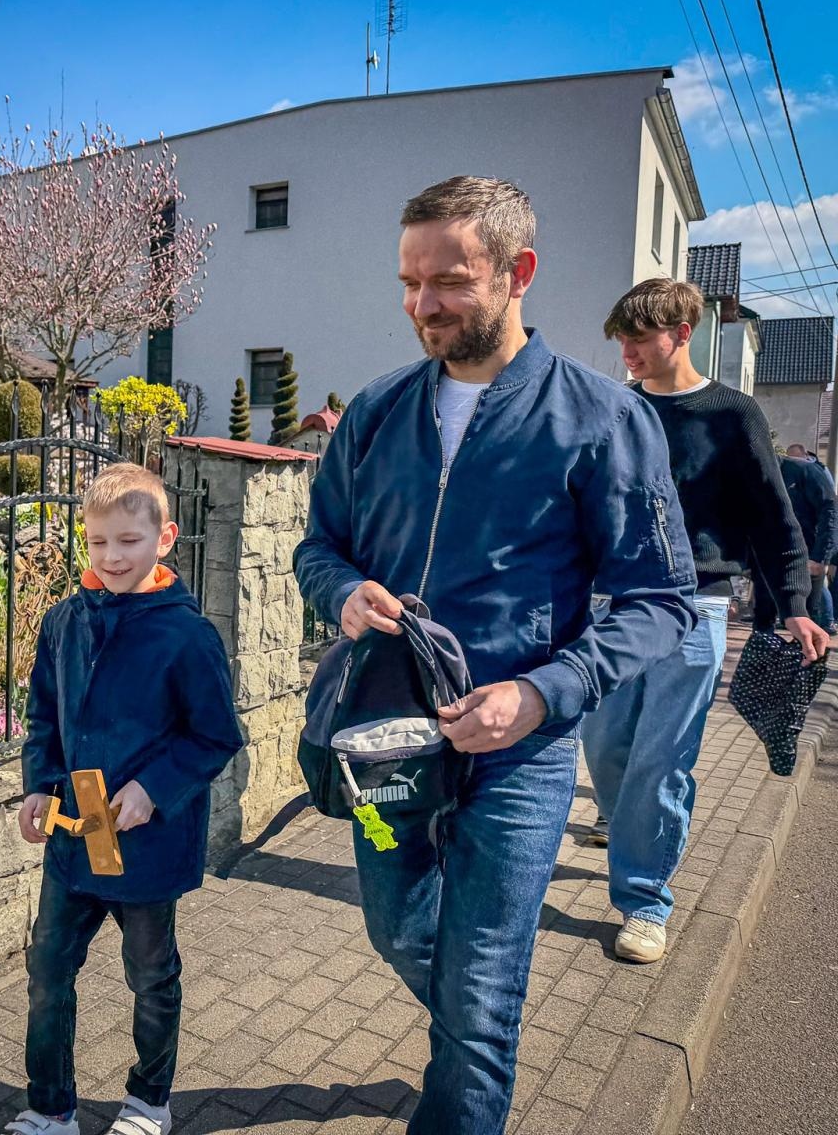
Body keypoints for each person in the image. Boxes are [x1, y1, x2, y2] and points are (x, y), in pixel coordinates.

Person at [294, 176, 696, 1135]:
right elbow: (320, 549)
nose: (422, 304)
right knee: (396, 928)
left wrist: (542, 693)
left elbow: (659, 601)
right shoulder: (377, 412)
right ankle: (479, 1042)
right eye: (409, 281)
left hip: (519, 757)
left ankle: (472, 1066)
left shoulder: (604, 418)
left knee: (478, 994)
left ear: (518, 274)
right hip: (387, 751)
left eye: (449, 281)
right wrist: (343, 593)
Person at [586, 279, 826, 964]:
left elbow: (773, 519)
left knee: (663, 760)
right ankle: (616, 815)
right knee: (604, 746)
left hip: (696, 605)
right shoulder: (614, 410)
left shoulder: (731, 414)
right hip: (611, 605)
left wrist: (796, 609)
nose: (627, 352)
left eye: (640, 339)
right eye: (621, 340)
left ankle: (644, 900)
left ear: (682, 332)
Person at [7, 463, 245, 1135]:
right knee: (48, 971)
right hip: (70, 842)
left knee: (150, 976)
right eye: (99, 541)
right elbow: (43, 716)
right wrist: (37, 783)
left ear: (165, 537)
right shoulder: (63, 622)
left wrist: (153, 789)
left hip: (143, 845)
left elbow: (214, 735)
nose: (112, 557)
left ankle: (148, 1101)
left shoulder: (187, 635)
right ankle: (50, 1107)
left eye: (129, 541)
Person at [768, 443, 838, 632]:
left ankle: (820, 632)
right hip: (774, 555)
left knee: (808, 618)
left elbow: (830, 509)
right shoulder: (756, 475)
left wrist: (821, 556)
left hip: (807, 553)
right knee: (770, 619)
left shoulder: (805, 471)